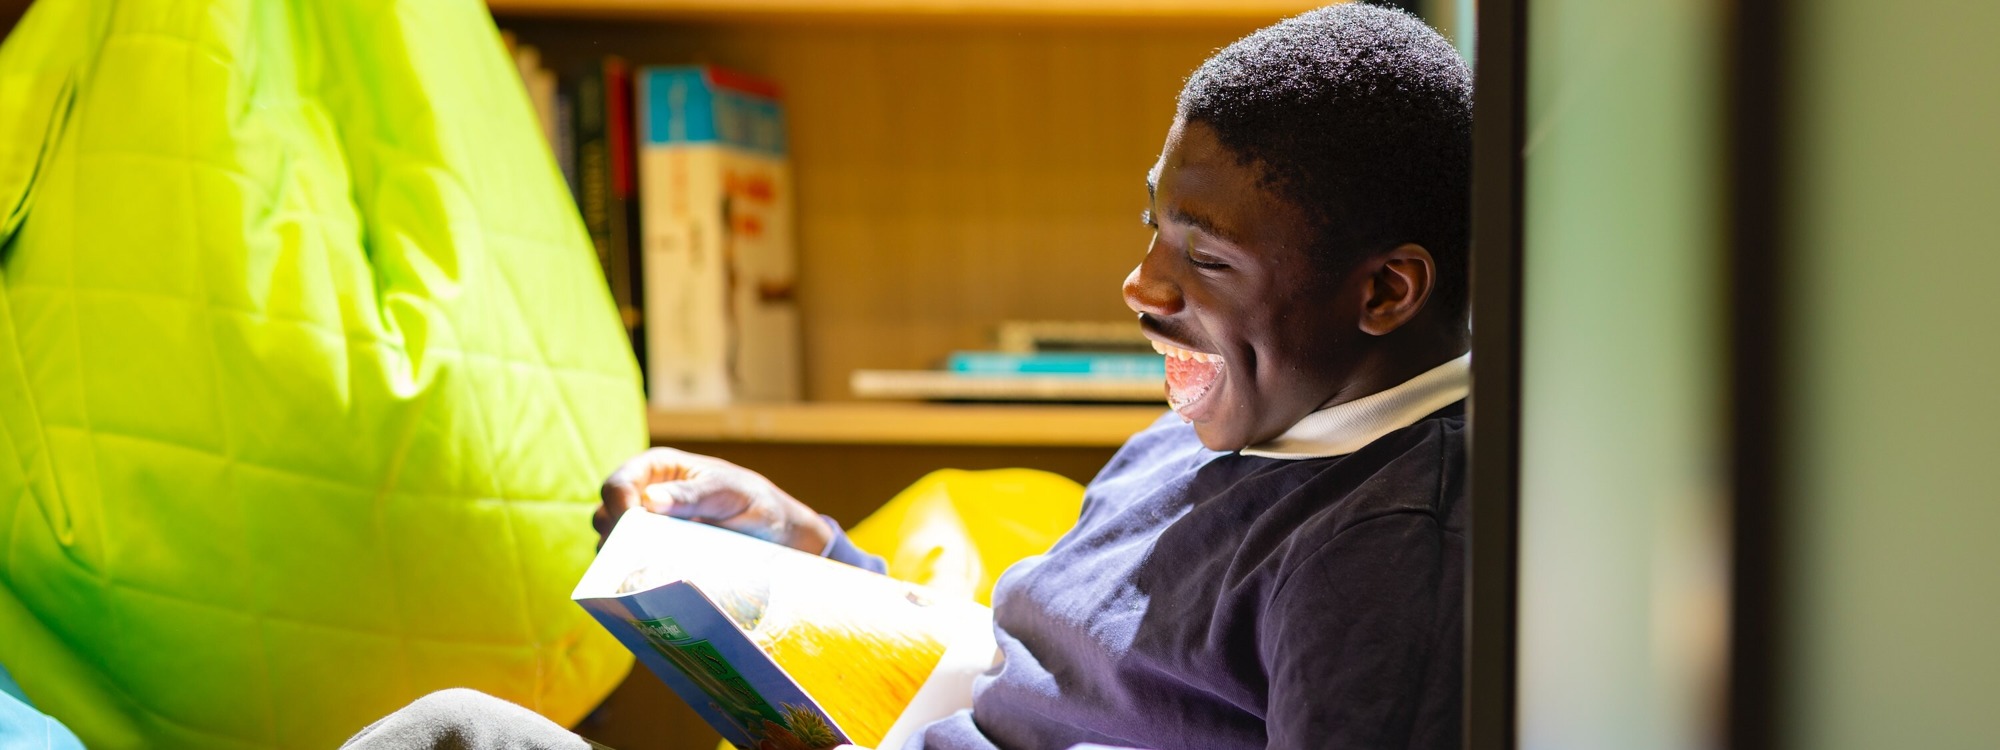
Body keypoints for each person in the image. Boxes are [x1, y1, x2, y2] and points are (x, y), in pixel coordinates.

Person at [348, 4, 1471, 748]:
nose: (1139, 284)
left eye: (1206, 257)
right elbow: (1020, 664)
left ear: (1384, 294)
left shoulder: (1385, 544)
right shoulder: (1224, 416)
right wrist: (807, 552)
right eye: (1153, 229)